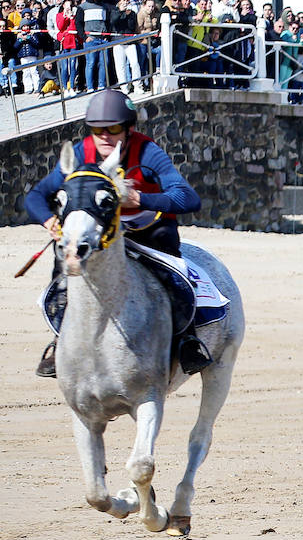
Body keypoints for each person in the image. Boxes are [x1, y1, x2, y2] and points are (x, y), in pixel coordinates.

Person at [23, 89, 212, 378]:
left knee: (175, 275)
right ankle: (59, 339)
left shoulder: (148, 153)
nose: (104, 136)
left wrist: (142, 200)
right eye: (97, 129)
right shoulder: (80, 152)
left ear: (129, 129)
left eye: (113, 129)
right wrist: (48, 220)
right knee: (61, 267)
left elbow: (189, 198)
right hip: (102, 236)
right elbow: (36, 196)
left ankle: (187, 340)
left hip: (149, 230)